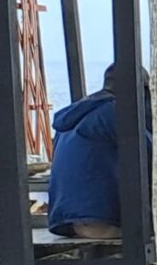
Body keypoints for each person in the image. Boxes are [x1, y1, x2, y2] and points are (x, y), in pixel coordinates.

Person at [46, 77, 126, 241]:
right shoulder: (118, 113)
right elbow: (152, 157)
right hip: (103, 222)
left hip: (68, 223)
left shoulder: (73, 116)